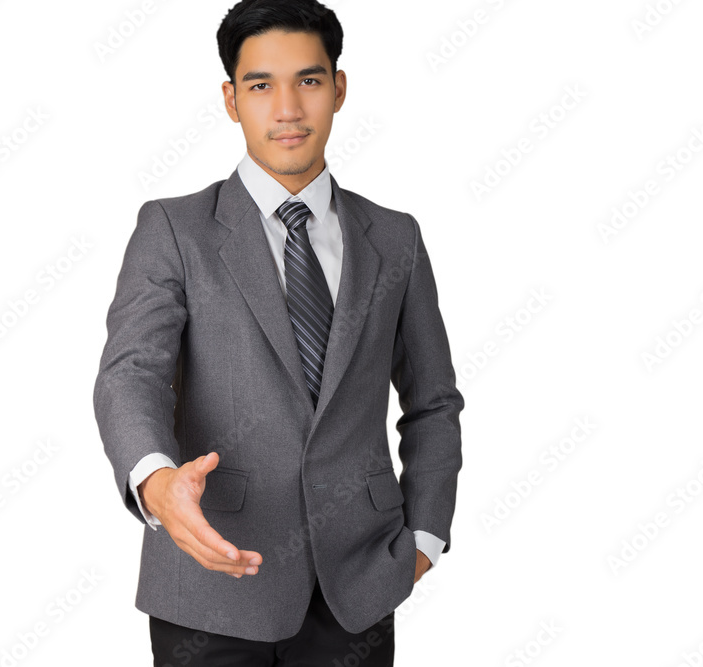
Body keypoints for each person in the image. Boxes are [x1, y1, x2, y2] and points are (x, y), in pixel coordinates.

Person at [93, 1, 464, 663]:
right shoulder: (174, 230)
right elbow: (131, 374)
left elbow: (433, 401)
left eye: (309, 81)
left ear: (339, 89)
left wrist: (426, 538)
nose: (288, 108)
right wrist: (156, 481)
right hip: (211, 582)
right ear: (231, 100)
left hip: (360, 583)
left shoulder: (395, 238)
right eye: (261, 85)